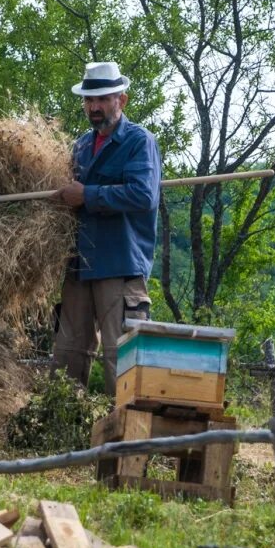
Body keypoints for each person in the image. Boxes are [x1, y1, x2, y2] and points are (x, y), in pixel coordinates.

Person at [51, 61, 161, 396]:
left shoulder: (139, 142)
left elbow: (143, 194)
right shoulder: (82, 146)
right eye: (89, 100)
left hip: (120, 264)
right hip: (80, 264)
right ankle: (61, 428)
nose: (95, 107)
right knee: (69, 351)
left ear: (121, 100)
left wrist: (88, 195)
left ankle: (127, 441)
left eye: (103, 99)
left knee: (121, 356)